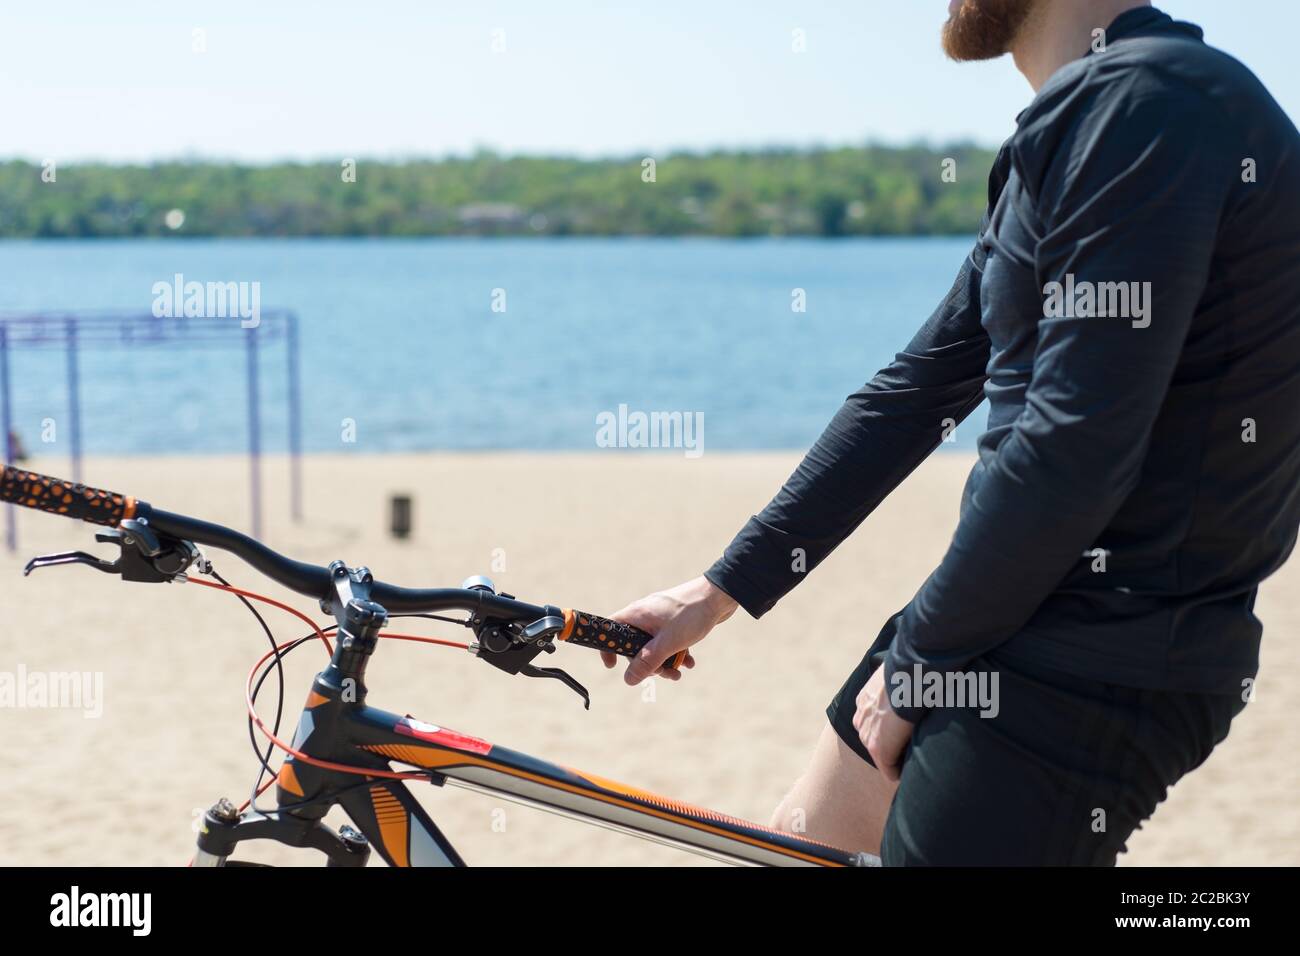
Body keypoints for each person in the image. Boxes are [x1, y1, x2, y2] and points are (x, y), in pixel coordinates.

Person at [609, 1, 1300, 865]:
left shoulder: (1146, 104)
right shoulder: (1094, 109)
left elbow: (1074, 443)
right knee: (804, 843)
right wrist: (717, 592)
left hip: (1089, 665)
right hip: (1000, 616)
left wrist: (924, 659)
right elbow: (915, 392)